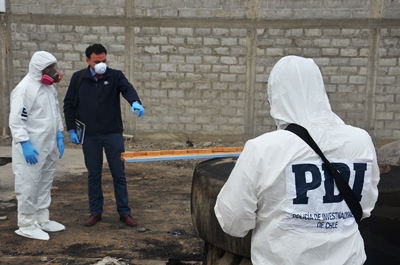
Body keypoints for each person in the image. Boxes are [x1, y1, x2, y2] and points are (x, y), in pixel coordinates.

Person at [214, 56, 380, 265]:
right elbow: (365, 206)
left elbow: (233, 221)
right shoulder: (361, 141)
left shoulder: (264, 148)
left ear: (275, 97)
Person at [63, 43, 144, 227]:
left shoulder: (115, 76)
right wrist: (70, 129)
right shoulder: (79, 79)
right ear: (87, 61)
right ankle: (95, 212)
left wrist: (135, 102)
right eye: (97, 61)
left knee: (119, 174)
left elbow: (127, 89)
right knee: (94, 174)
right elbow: (69, 104)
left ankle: (124, 212)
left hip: (112, 134)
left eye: (104, 60)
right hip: (90, 135)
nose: (101, 64)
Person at [9, 51, 65, 241]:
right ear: (39, 68)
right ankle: (26, 223)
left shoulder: (49, 88)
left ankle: (41, 218)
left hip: (48, 145)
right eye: (50, 68)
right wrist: (24, 143)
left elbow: (55, 113)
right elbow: (16, 120)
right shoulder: (25, 89)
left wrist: (59, 134)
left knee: (44, 181)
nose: (54, 72)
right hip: (32, 147)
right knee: (28, 183)